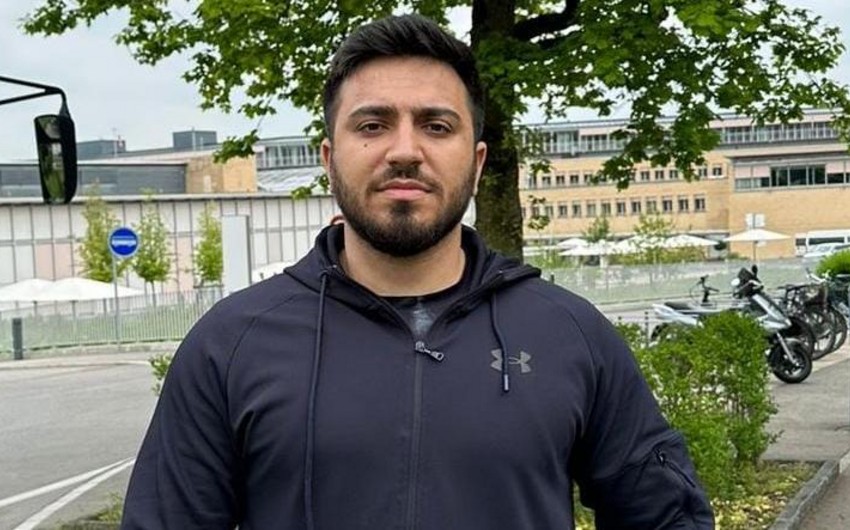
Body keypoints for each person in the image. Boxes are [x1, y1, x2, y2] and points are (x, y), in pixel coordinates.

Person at [121, 14, 714, 530]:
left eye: (436, 125)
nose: (404, 150)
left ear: (476, 162)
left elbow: (665, 517)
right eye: (372, 125)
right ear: (329, 157)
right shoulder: (232, 344)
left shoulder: (570, 335)